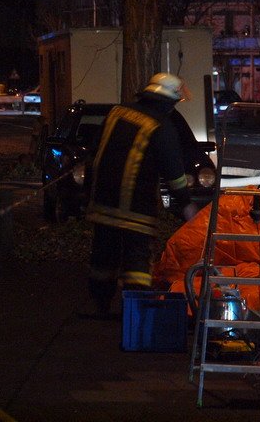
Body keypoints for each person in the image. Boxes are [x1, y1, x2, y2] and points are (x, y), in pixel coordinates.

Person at [85, 73, 199, 318]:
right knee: (136, 261)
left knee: (103, 258)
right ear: (168, 102)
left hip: (103, 203)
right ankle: (135, 315)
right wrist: (186, 204)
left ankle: (100, 306)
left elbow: (94, 152)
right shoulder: (161, 126)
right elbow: (174, 172)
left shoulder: (117, 112)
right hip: (136, 209)